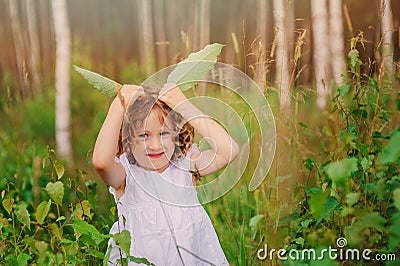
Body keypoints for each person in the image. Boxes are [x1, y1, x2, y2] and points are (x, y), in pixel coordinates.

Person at [92, 83, 239, 265]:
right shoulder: (126, 176)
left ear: (176, 134)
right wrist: (119, 105)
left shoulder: (186, 166)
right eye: (144, 135)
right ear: (128, 139)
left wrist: (184, 105)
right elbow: (100, 162)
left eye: (163, 133)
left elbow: (229, 151)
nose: (155, 145)